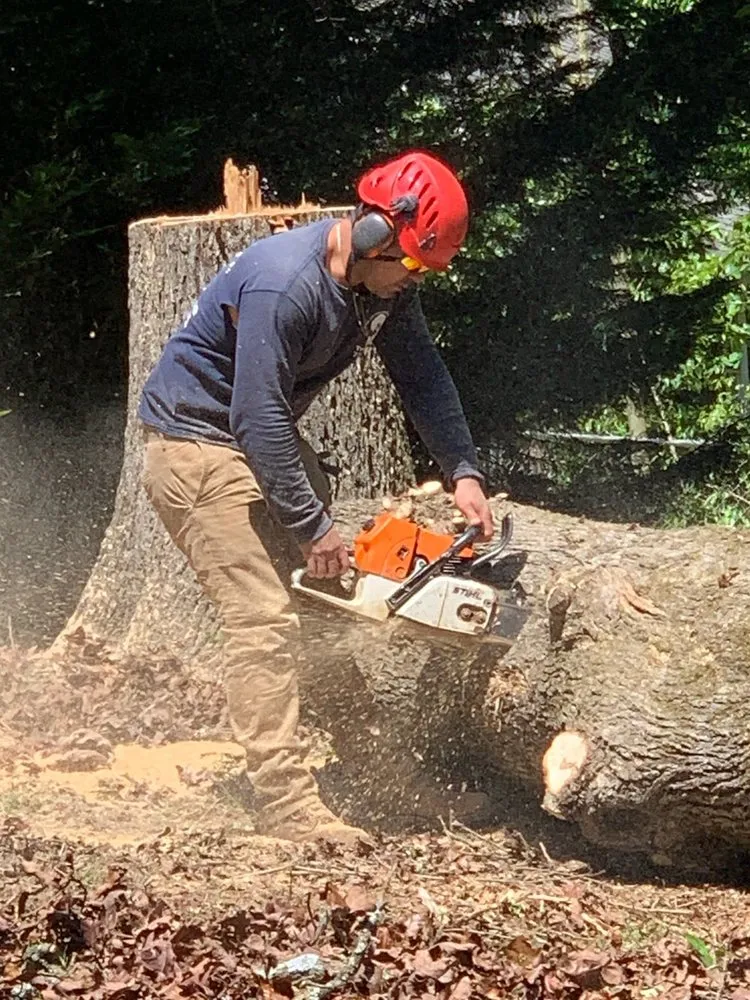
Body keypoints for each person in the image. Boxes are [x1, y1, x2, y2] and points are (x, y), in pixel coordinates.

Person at [138, 149, 494, 844]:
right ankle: (285, 804)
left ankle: (384, 777)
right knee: (265, 620)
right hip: (197, 448)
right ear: (375, 236)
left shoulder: (380, 287)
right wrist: (311, 525)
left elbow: (421, 373)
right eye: (412, 266)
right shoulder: (286, 285)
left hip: (252, 441)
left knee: (323, 611)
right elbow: (257, 414)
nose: (412, 282)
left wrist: (463, 470)